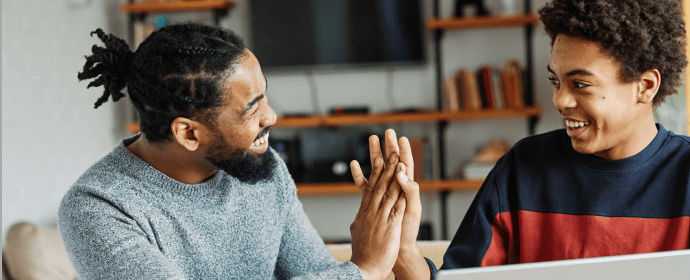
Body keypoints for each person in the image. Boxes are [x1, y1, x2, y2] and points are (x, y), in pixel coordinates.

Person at [355, 0, 690, 279]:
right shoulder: (523, 168)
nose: (560, 100)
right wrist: (402, 250)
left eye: (581, 84)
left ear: (645, 86)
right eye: (556, 81)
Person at [58, 22, 432, 280]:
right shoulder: (99, 207)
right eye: (252, 109)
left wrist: (393, 243)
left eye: (265, 95)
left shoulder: (261, 170)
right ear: (188, 133)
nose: (271, 116)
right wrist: (363, 268)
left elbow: (315, 272)